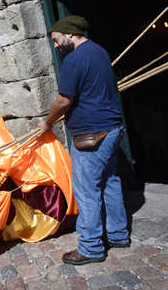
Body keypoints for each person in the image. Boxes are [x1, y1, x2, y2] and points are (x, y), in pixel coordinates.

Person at [37, 15, 130, 265]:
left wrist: (47, 123)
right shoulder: (100, 52)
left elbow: (64, 100)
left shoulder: (74, 59)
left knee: (87, 189)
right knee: (109, 180)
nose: (56, 46)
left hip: (92, 134)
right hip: (112, 128)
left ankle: (90, 247)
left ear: (69, 34)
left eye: (56, 40)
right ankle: (118, 234)